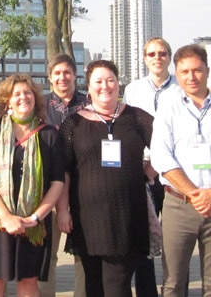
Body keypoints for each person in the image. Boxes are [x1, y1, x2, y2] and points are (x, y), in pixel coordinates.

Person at [151, 44, 211, 296]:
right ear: (177, 73)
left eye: (196, 70)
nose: (191, 77)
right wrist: (196, 194)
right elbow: (162, 158)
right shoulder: (167, 110)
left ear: (207, 70)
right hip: (178, 206)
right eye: (184, 72)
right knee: (172, 283)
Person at [58, 60, 153, 296]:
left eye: (110, 80)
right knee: (93, 285)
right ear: (88, 87)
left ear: (118, 84)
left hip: (127, 216)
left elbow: (166, 149)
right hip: (86, 218)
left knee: (116, 286)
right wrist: (62, 210)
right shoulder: (73, 124)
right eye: (98, 81)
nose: (105, 86)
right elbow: (64, 170)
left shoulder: (137, 118)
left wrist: (146, 173)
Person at [0, 74, 65, 296]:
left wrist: (36, 217)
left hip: (34, 222)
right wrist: (5, 216)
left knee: (28, 282)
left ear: (35, 98)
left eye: (28, 92)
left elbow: (57, 182)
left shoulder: (49, 134)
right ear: (7, 101)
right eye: (16, 94)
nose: (23, 97)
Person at [122, 37, 182, 297]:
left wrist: (158, 167)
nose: (157, 58)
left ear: (169, 57)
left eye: (162, 53)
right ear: (144, 59)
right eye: (151, 54)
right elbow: (128, 129)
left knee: (176, 243)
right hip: (141, 173)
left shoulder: (182, 90)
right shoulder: (133, 90)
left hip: (174, 176)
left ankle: (175, 290)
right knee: (143, 239)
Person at [42, 53, 87, 297]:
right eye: (57, 73)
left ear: (75, 75)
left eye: (67, 72)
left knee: (83, 253)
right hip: (47, 190)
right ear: (50, 78)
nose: (62, 77)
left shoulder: (89, 105)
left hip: (83, 189)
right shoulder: (40, 105)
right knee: (47, 255)